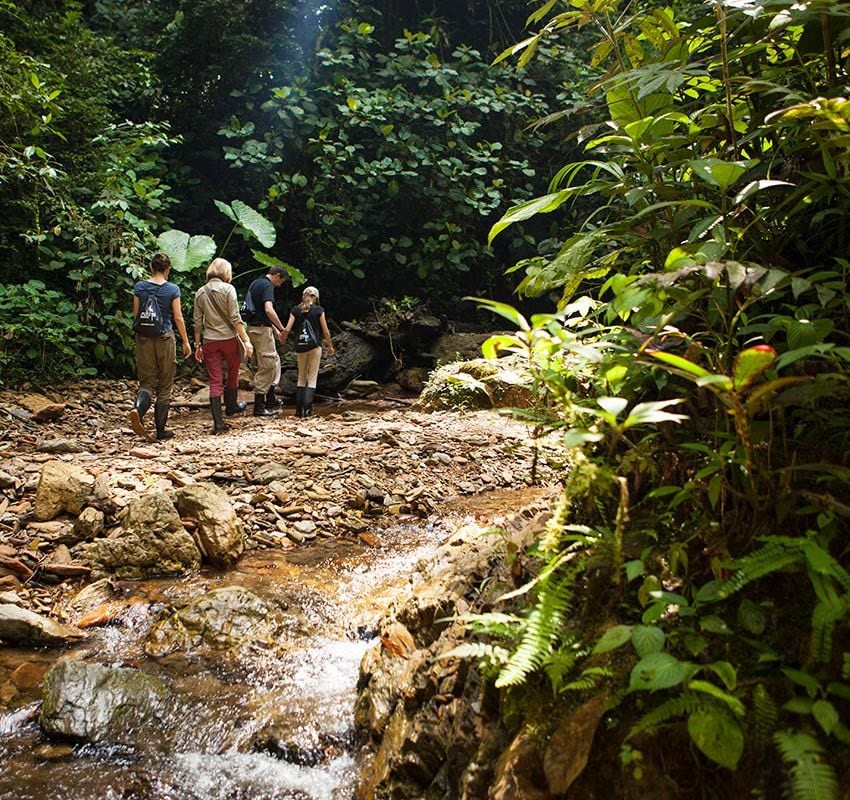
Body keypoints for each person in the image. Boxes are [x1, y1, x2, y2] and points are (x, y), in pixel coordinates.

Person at [129, 253, 192, 440]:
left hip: (144, 338)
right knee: (165, 385)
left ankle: (138, 411)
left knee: (146, 382)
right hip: (165, 337)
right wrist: (186, 341)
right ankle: (160, 430)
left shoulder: (140, 287)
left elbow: (136, 315)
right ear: (167, 269)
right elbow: (178, 317)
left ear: (151, 268)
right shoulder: (172, 289)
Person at [193, 258, 254, 434]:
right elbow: (235, 318)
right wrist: (246, 339)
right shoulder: (228, 289)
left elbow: (197, 323)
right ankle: (232, 406)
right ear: (226, 272)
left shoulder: (200, 292)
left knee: (215, 380)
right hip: (228, 339)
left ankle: (218, 423)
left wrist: (197, 345)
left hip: (210, 341)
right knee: (233, 372)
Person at [281, 285, 334, 417]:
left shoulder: (295, 310)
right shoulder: (319, 310)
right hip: (314, 347)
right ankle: (308, 411)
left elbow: (287, 329)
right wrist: (330, 346)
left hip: (300, 347)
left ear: (303, 296)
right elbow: (325, 330)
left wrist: (283, 338)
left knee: (301, 377)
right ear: (316, 298)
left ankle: (298, 411)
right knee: (312, 378)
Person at [245, 265, 288, 417]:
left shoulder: (256, 283)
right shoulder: (267, 285)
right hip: (261, 330)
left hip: (256, 328)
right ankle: (259, 407)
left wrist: (275, 330)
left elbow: (259, 312)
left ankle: (270, 398)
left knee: (274, 361)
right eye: (281, 281)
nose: (280, 285)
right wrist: (282, 328)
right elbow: (268, 310)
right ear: (276, 275)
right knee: (267, 365)